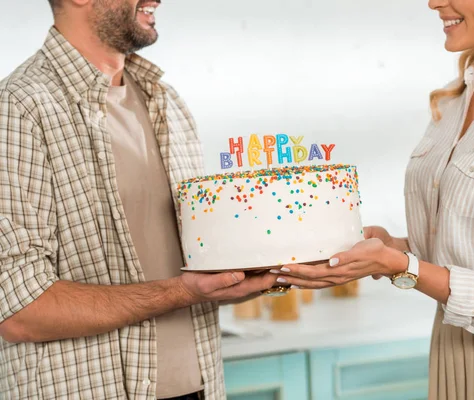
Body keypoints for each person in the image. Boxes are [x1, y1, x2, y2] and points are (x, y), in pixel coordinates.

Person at [271, 0, 474, 398]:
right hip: (448, 356)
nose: (433, 3)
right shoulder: (453, 104)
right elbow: (472, 246)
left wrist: (400, 265)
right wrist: (392, 248)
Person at [0, 1, 278, 399]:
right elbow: (19, 312)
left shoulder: (167, 102)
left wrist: (260, 272)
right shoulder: (17, 108)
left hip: (199, 389)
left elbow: (200, 267)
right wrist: (184, 292)